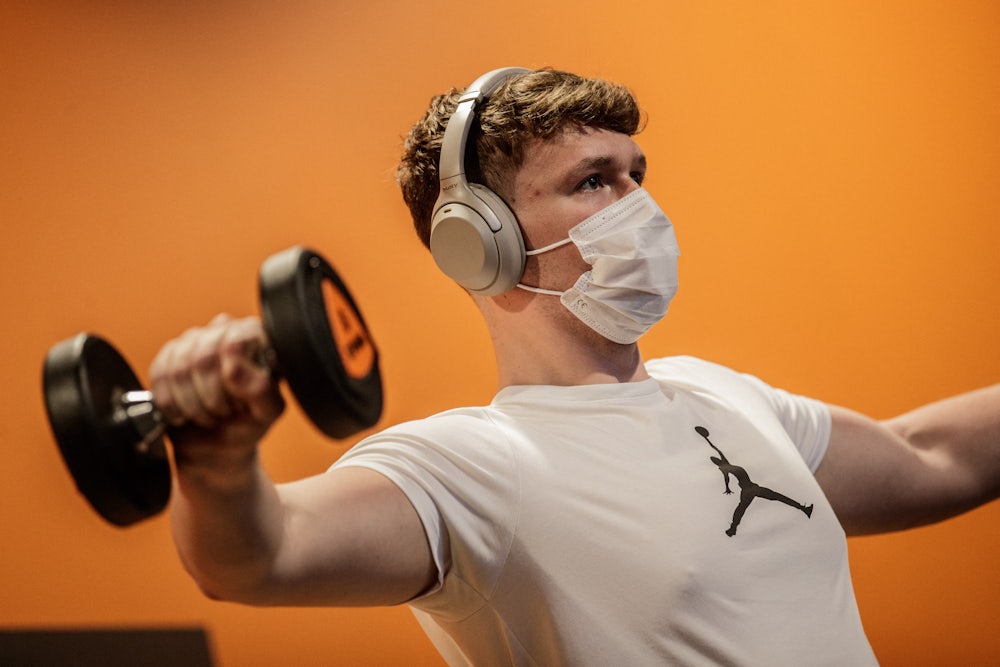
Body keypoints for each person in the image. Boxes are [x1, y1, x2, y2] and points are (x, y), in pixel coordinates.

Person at [149, 68, 999, 666]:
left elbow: (931, 455)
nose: (640, 207)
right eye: (594, 180)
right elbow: (260, 556)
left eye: (638, 175)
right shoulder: (475, 466)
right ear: (476, 240)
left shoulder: (722, 393)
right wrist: (217, 462)